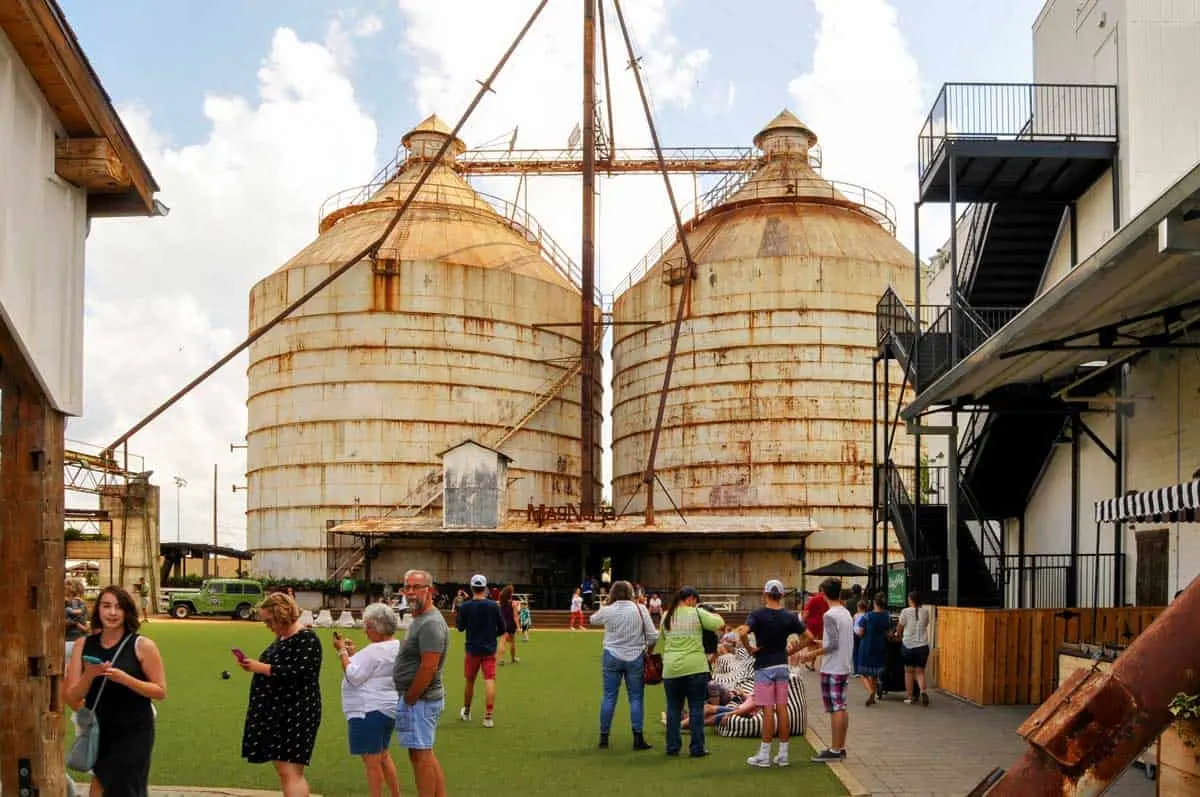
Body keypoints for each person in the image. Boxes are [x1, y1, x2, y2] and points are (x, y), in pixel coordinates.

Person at [65, 585, 167, 796]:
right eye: (106, 606)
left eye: (118, 607)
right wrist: (89, 674)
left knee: (126, 789)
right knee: (99, 786)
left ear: (127, 611)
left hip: (134, 731)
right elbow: (72, 696)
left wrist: (125, 679)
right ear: (98, 610)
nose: (112, 612)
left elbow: (159, 691)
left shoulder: (142, 645)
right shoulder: (83, 645)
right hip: (98, 730)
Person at [239, 591, 323, 797]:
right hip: (277, 713)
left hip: (295, 712)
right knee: (285, 771)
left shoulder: (307, 639)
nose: (267, 625)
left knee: (291, 771)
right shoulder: (283, 639)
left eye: (269, 620)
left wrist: (261, 668)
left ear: (280, 616)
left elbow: (299, 673)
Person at [741, 579, 812, 768]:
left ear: (765, 594)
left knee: (767, 711)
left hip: (764, 666)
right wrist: (791, 651)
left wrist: (750, 648)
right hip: (782, 666)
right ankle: (783, 754)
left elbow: (742, 633)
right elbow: (809, 638)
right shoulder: (789, 617)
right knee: (782, 709)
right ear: (781, 596)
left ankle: (764, 754)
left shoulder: (757, 615)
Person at [335, 603, 402, 797]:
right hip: (386, 707)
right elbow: (372, 670)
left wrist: (342, 652)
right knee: (383, 756)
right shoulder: (396, 646)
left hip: (367, 710)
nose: (365, 630)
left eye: (368, 626)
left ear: (377, 628)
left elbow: (354, 675)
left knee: (372, 763)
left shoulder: (375, 650)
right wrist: (352, 655)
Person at [393, 568, 449, 797]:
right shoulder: (421, 619)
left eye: (417, 587)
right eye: (407, 587)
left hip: (421, 700)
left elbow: (429, 666)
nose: (411, 592)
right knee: (424, 753)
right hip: (420, 699)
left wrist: (410, 697)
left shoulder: (430, 624)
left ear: (430, 590)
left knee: (421, 756)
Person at [654, 586, 723, 758]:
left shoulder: (666, 616)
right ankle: (697, 748)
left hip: (671, 669)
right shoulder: (697, 613)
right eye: (696, 601)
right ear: (691, 599)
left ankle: (672, 746)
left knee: (673, 709)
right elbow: (719, 623)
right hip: (695, 667)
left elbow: (663, 637)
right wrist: (712, 614)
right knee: (696, 708)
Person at [589, 580, 658, 751]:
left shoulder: (608, 610)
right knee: (635, 698)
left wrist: (606, 606)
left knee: (609, 696)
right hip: (635, 656)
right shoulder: (640, 609)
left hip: (612, 655)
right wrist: (648, 651)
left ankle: (604, 737)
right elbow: (653, 636)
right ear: (631, 593)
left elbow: (592, 620)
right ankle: (637, 737)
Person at [798, 578, 853, 763]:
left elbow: (832, 645)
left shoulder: (830, 615)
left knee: (835, 708)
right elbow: (838, 642)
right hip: (844, 665)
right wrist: (820, 643)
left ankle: (835, 749)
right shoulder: (845, 612)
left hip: (833, 666)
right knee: (841, 707)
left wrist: (810, 654)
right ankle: (841, 746)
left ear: (823, 593)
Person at [455, 574, 504, 728]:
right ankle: (488, 717)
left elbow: (460, 627)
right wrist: (491, 636)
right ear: (485, 588)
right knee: (489, 680)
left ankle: (467, 711)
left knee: (470, 681)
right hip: (489, 649)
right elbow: (502, 628)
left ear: (471, 587)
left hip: (472, 649)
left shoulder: (466, 606)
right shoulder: (493, 606)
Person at [856, 593, 892, 706]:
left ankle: (871, 692)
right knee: (874, 674)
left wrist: (858, 633)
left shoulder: (867, 616)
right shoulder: (887, 616)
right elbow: (889, 633)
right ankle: (874, 696)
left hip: (867, 646)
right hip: (880, 646)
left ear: (874, 603)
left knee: (862, 673)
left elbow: (861, 632)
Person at [898, 590, 932, 706]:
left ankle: (910, 697)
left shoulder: (905, 611)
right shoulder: (925, 612)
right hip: (923, 646)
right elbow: (926, 624)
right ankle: (923, 691)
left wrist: (899, 634)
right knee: (920, 671)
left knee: (908, 672)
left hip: (908, 646)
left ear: (910, 600)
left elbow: (900, 626)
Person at [802, 587, 829, 671]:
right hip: (824, 624)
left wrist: (802, 621)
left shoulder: (813, 599)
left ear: (819, 590)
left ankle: (812, 664)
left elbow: (806, 613)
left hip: (812, 625)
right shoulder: (827, 599)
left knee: (812, 644)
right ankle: (822, 665)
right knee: (822, 644)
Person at [64, 577, 89, 664]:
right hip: (81, 640)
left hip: (71, 640)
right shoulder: (81, 603)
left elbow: (75, 616)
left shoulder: (75, 602)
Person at [496, 585, 520, 665]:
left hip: (503, 623)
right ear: (510, 594)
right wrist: (518, 627)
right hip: (511, 624)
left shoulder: (500, 603)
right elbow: (515, 616)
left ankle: (500, 660)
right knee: (512, 642)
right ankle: (513, 659)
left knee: (502, 641)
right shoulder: (513, 603)